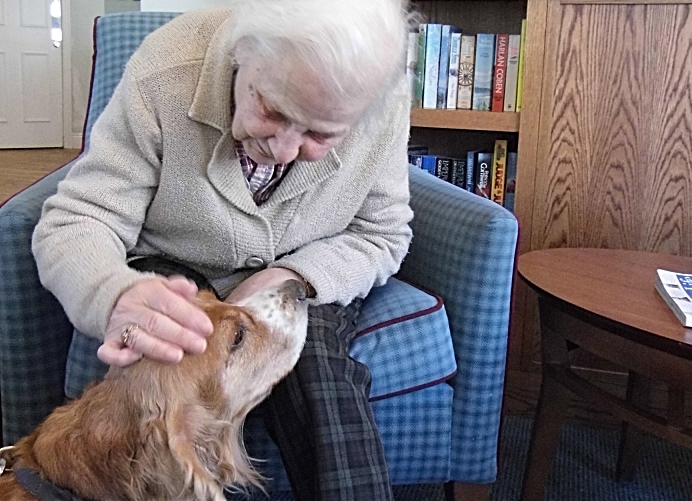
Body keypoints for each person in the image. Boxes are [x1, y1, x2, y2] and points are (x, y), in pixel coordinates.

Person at [32, 0, 415, 499]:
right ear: (243, 52)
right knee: (149, 377)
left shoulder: (381, 97)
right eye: (272, 111)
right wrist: (113, 293)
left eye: (321, 133)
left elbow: (381, 232)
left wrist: (296, 275)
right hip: (172, 267)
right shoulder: (165, 71)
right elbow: (79, 218)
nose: (284, 150)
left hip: (309, 273)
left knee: (321, 379)